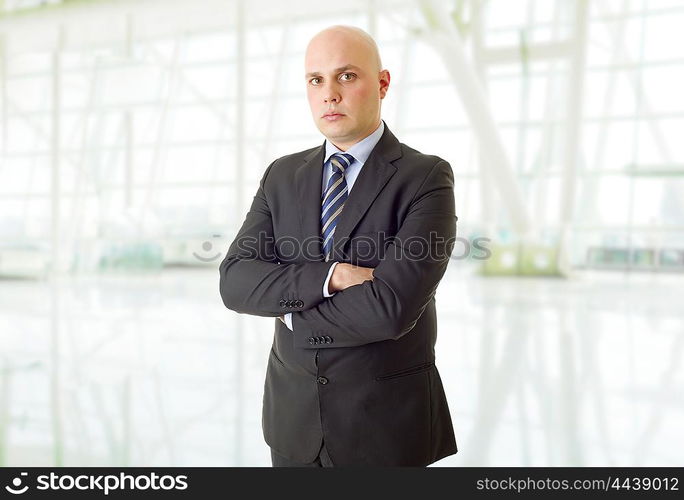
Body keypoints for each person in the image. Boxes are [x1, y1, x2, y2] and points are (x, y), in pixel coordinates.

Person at [219, 25, 458, 466]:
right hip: (293, 424)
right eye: (316, 80)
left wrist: (291, 313)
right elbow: (235, 282)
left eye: (346, 76)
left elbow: (391, 309)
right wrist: (333, 277)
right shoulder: (281, 175)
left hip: (386, 429)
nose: (330, 93)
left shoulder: (425, 178)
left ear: (382, 84)